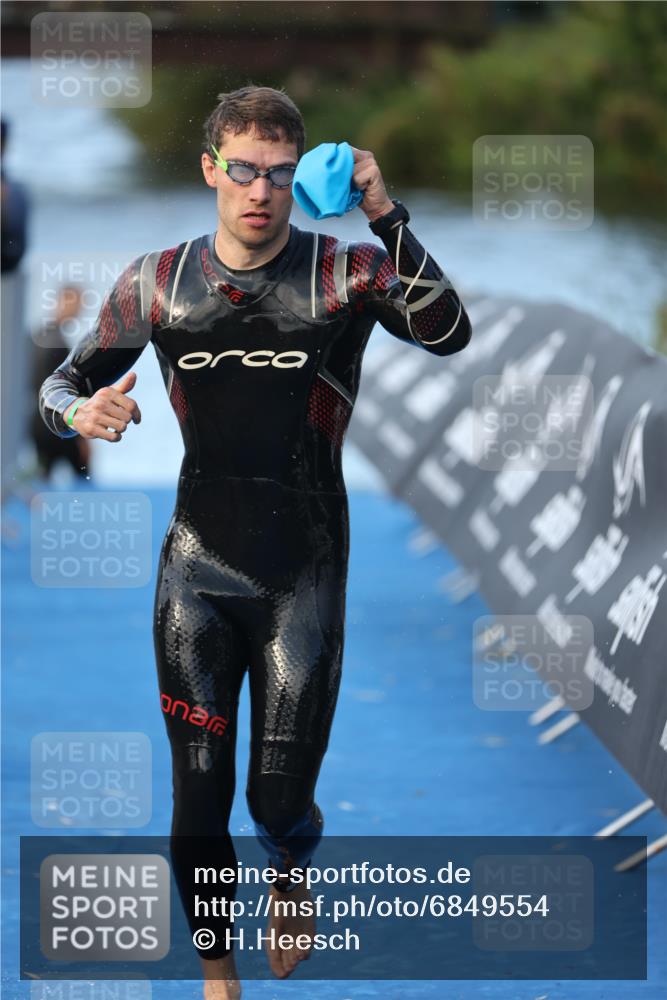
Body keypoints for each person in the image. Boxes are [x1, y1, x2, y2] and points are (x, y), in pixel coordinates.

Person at [38, 85, 472, 998]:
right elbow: (62, 381)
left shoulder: (347, 272)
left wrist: (385, 212)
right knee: (198, 798)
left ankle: (288, 866)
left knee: (275, 802)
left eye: (278, 173)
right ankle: (217, 973)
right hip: (195, 568)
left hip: (303, 573)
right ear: (211, 171)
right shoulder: (156, 281)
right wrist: (86, 406)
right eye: (242, 170)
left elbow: (448, 332)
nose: (260, 190)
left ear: (299, 177)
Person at [30, 285, 91, 479]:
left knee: (42, 479)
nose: (78, 310)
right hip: (59, 424)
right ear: (62, 302)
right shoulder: (57, 343)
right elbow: (65, 391)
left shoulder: (37, 336)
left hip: (37, 423)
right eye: (76, 304)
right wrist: (82, 438)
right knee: (83, 476)